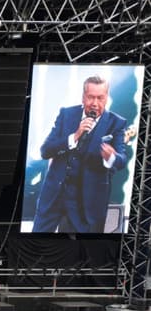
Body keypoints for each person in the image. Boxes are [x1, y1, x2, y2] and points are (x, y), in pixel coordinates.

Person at [31, 75, 128, 233]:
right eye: (90, 97)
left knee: (78, 251)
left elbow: (121, 160)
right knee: (36, 243)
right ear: (83, 97)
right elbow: (45, 151)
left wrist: (111, 157)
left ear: (106, 98)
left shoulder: (116, 123)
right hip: (54, 195)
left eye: (100, 98)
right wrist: (74, 136)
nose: (95, 103)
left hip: (85, 203)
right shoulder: (67, 115)